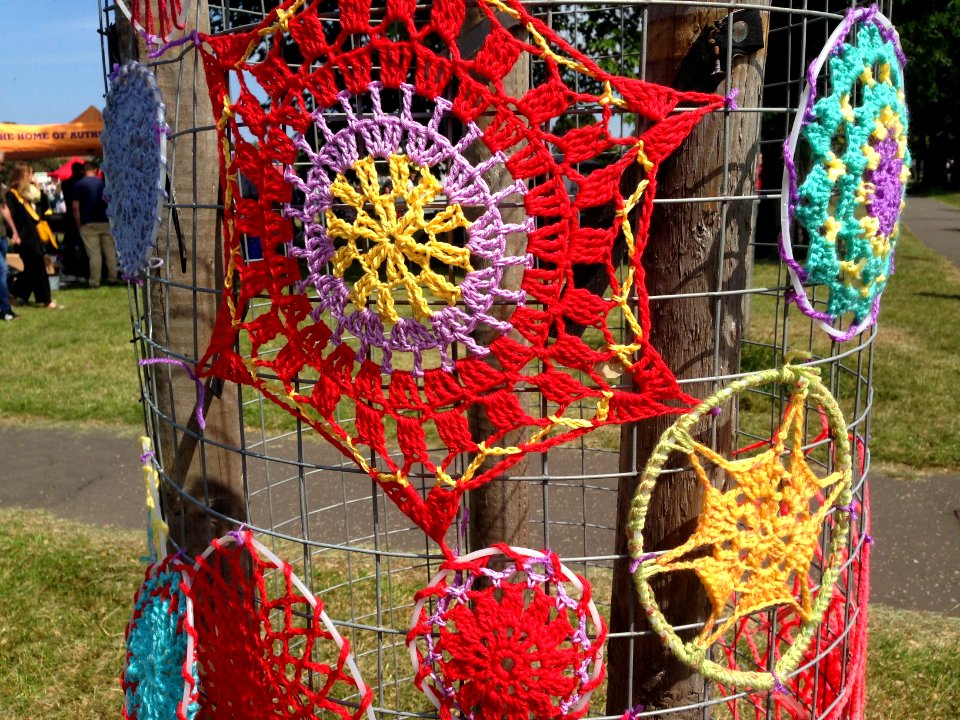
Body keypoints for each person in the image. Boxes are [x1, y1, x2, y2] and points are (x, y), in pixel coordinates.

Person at [4, 163, 59, 309]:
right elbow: (11, 217)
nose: (31, 176)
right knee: (38, 266)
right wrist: (14, 234)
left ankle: (14, 294)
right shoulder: (12, 194)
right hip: (24, 237)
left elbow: (45, 207)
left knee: (30, 269)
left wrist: (39, 188)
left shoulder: (32, 192)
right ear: (22, 175)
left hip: (36, 235)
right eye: (29, 174)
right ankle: (46, 299)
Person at [72, 161, 118, 288]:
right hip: (105, 221)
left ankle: (95, 281)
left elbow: (75, 207)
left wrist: (78, 223)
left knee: (94, 254)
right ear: (96, 170)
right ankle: (113, 276)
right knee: (110, 251)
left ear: (83, 171)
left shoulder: (78, 185)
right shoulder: (103, 184)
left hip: (88, 222)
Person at [60, 161, 89, 282]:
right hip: (81, 216)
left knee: (70, 244)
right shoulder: (81, 184)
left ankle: (69, 266)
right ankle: (83, 268)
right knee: (84, 244)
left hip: (69, 217)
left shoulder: (65, 184)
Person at [1, 187, 19, 320]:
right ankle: (5, 310)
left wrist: (13, 230)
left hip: (1, 237)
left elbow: (4, 208)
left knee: (4, 272)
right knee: (2, 270)